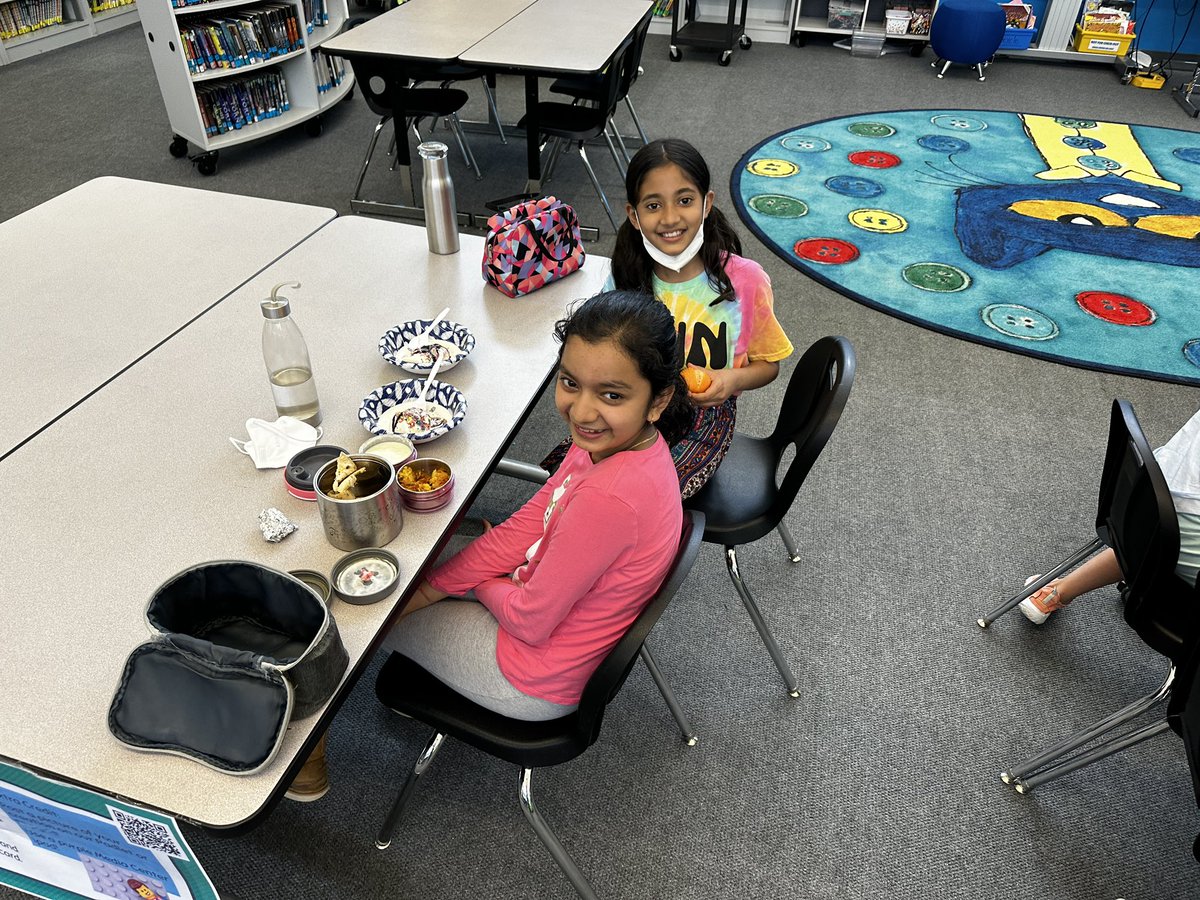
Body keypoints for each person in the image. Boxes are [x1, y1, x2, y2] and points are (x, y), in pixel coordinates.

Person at [385, 290, 691, 720]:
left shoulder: (610, 498)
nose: (581, 412)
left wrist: (475, 585)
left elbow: (530, 621)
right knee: (420, 571)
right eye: (570, 383)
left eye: (611, 396)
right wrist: (438, 585)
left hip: (532, 677)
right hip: (541, 605)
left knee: (376, 616)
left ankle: (310, 762)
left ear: (658, 400)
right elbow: (531, 522)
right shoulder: (609, 443)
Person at [543, 138, 794, 499]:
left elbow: (770, 364)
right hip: (632, 410)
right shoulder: (626, 278)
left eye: (685, 200)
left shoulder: (744, 281)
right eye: (653, 205)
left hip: (704, 416)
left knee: (641, 494)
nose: (671, 218)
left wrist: (730, 379)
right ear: (634, 215)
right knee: (562, 479)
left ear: (707, 204)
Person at [1021, 406, 1200, 624]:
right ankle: (1152, 588)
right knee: (1175, 538)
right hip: (1177, 545)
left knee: (1162, 535)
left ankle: (1058, 591)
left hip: (1145, 506)